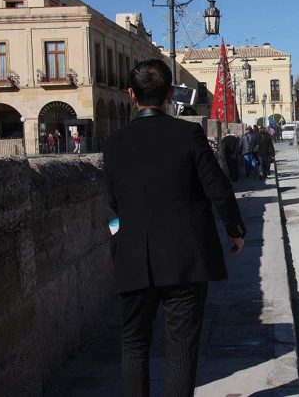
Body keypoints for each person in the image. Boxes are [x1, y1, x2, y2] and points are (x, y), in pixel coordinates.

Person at [103, 59, 246, 396]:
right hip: (186, 257)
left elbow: (113, 202)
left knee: (134, 345)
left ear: (131, 95)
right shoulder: (188, 134)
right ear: (169, 94)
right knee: (181, 348)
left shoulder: (114, 144)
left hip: (133, 256)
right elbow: (219, 188)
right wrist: (234, 230)